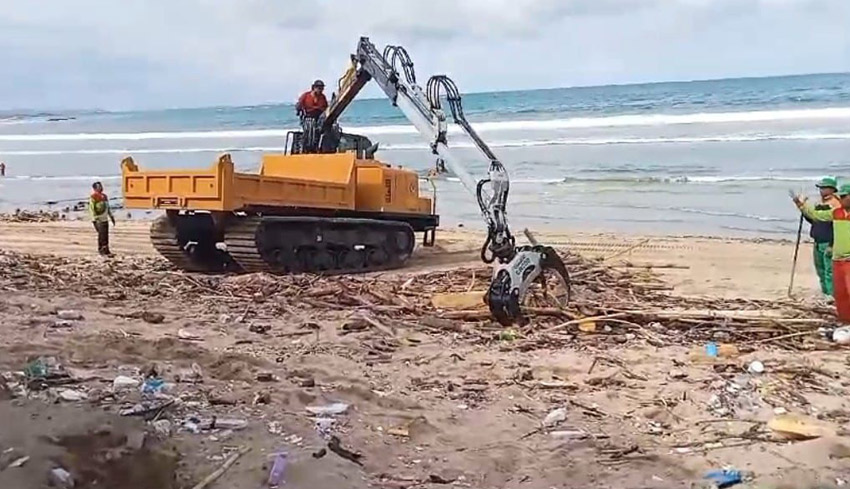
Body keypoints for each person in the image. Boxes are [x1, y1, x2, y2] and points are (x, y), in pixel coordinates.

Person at [792, 183, 850, 321]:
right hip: (837, 258)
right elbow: (816, 215)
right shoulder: (836, 213)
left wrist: (830, 244)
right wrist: (801, 206)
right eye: (841, 196)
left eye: (845, 196)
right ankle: (844, 320)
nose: (842, 199)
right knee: (840, 293)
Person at [803, 176, 842, 296]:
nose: (821, 190)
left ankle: (831, 294)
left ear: (832, 189)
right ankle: (825, 293)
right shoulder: (820, 203)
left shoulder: (836, 204)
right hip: (818, 240)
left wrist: (832, 244)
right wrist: (803, 210)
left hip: (828, 241)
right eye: (820, 188)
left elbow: (838, 227)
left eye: (824, 188)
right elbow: (815, 220)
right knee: (820, 270)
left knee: (829, 271)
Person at [88, 181, 115, 256]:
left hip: (105, 218)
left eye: (101, 186)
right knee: (101, 235)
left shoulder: (104, 196)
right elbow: (91, 208)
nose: (100, 188)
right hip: (98, 219)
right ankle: (101, 250)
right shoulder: (93, 197)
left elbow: (107, 208)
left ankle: (107, 250)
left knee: (106, 235)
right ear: (95, 188)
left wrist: (111, 217)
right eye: (98, 186)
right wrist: (94, 218)